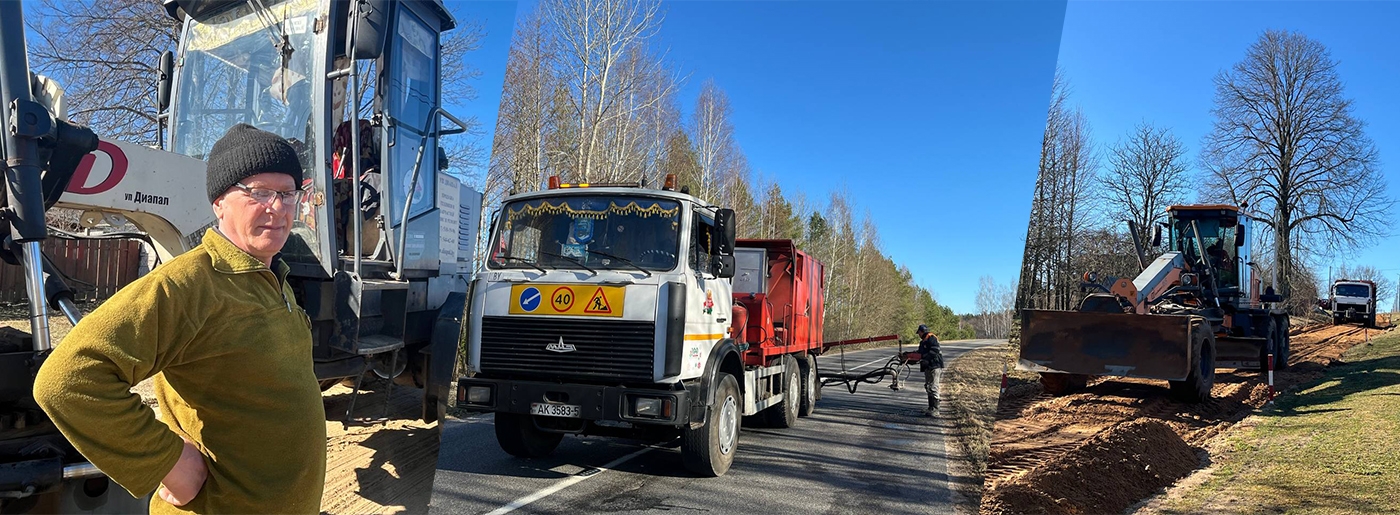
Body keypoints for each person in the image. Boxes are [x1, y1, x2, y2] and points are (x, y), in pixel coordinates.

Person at [33, 124, 326, 514]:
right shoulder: (188, 284)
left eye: (287, 193)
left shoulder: (274, 278)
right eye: (258, 193)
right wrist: (168, 461)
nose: (277, 207)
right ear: (219, 202)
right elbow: (67, 379)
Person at [916, 324, 945, 416]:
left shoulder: (931, 338)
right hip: (928, 367)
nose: (918, 335)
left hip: (935, 365)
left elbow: (935, 350)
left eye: (919, 333)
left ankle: (936, 409)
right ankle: (930, 408)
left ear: (921, 331)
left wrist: (926, 359)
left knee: (933, 386)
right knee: (928, 386)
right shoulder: (923, 342)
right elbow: (919, 353)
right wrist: (909, 356)